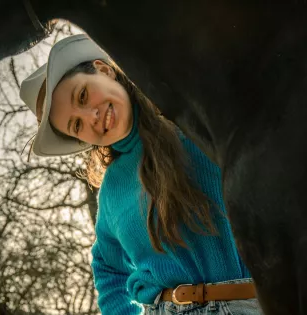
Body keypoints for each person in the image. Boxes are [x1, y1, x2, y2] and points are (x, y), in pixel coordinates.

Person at [19, 34, 261, 315]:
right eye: (76, 125)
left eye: (82, 95)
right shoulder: (111, 190)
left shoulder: (198, 124)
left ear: (105, 70)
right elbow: (107, 267)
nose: (91, 117)